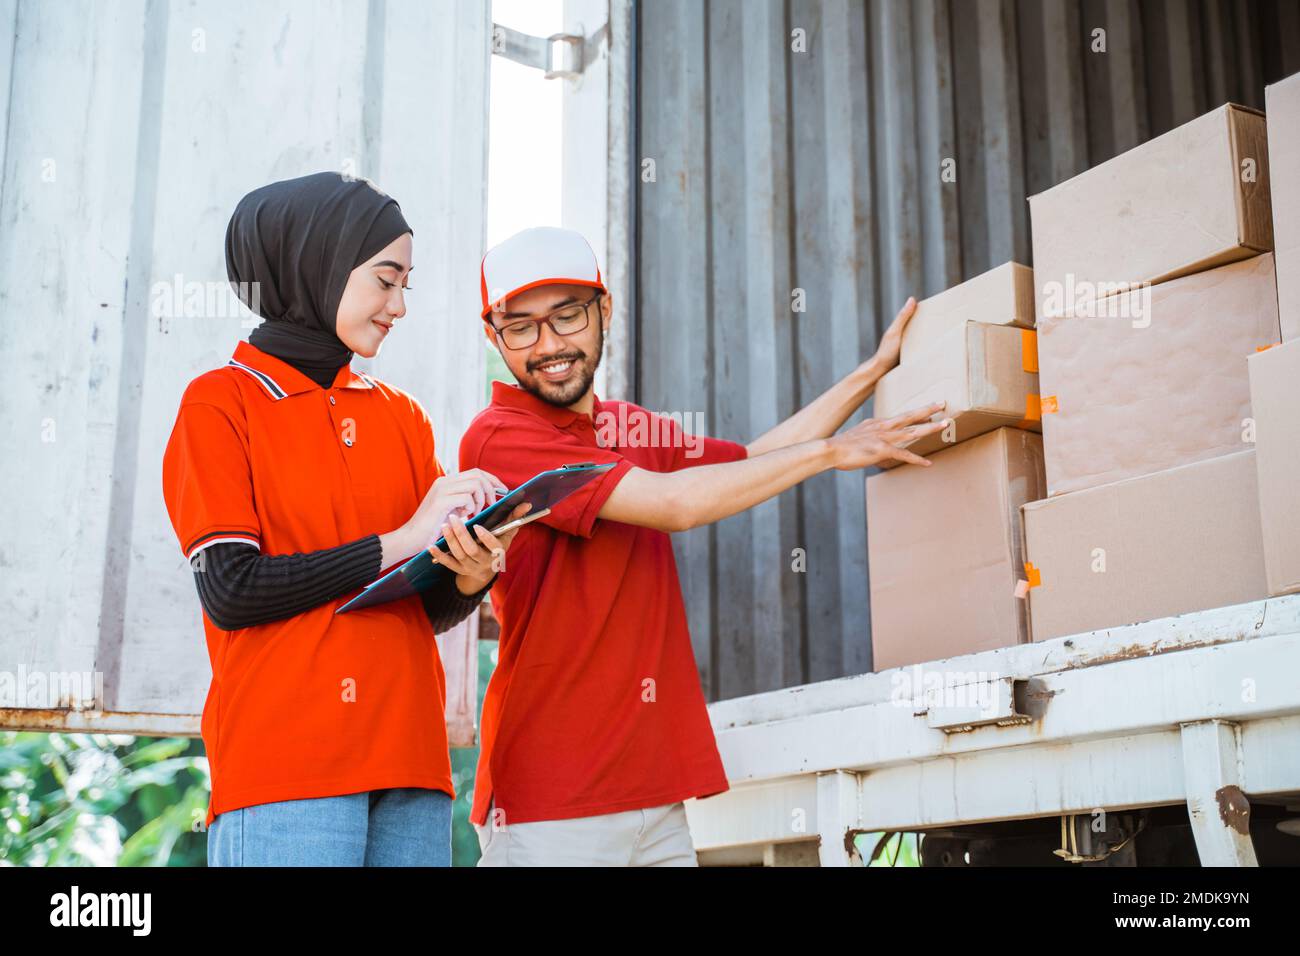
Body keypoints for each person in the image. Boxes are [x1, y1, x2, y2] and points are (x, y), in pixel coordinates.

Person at [461, 226, 948, 866]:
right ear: (496, 338)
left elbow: (753, 460)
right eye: (520, 327)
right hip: (551, 802)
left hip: (654, 794)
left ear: (604, 310)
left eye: (567, 315)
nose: (549, 345)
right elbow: (678, 504)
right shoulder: (500, 437)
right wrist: (832, 453)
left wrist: (871, 373)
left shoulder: (624, 427)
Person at [161, 172, 527, 867]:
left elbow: (420, 601)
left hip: (411, 768)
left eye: (406, 286)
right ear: (316, 265)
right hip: (287, 771)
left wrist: (469, 574)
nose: (398, 306)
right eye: (385, 280)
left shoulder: (402, 416)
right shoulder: (219, 405)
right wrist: (405, 537)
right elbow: (232, 590)